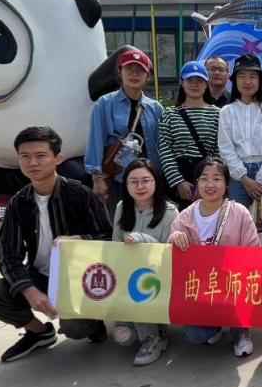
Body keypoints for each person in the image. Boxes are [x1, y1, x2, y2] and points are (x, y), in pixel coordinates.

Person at [0, 126, 112, 362]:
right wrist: (29, 290)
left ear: (57, 158)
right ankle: (38, 332)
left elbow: (108, 238)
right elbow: (7, 255)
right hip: (39, 275)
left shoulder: (79, 194)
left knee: (75, 328)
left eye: (41, 155)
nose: (33, 163)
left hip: (77, 278)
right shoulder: (19, 202)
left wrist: (79, 240)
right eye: (25, 156)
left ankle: (93, 323)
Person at [167, 158, 260, 357]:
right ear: (197, 183)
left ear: (226, 184)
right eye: (204, 179)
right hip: (201, 286)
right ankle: (214, 326)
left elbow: (253, 250)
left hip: (233, 283)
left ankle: (241, 333)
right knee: (196, 335)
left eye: (217, 179)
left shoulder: (239, 213)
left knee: (238, 295)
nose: (210, 184)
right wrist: (175, 237)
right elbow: (172, 249)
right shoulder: (186, 215)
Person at [111, 159, 177, 366]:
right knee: (123, 337)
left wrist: (141, 239)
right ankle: (150, 329)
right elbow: (115, 245)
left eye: (146, 180)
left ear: (156, 182)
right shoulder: (122, 207)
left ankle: (154, 337)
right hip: (127, 273)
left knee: (140, 287)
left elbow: (168, 254)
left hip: (156, 277)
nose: (140, 186)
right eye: (133, 181)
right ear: (126, 185)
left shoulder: (170, 212)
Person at [86, 48, 163, 213]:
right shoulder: (104, 104)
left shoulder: (155, 107)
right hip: (117, 178)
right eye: (129, 68)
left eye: (140, 70)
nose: (134, 74)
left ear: (148, 76)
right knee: (118, 221)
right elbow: (95, 141)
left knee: (151, 221)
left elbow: (161, 145)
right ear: (119, 72)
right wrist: (97, 179)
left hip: (149, 178)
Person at [218, 53, 262, 219]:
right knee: (238, 225)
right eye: (242, 76)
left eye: (252, 76)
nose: (247, 81)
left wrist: (261, 180)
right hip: (238, 177)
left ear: (260, 80)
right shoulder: (226, 111)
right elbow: (226, 148)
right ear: (235, 80)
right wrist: (244, 178)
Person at [158, 60, 220, 210]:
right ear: (182, 82)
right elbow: (165, 150)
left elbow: (218, 150)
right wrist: (178, 182)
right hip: (179, 179)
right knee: (182, 220)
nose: (194, 84)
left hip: (207, 175)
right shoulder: (170, 114)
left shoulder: (218, 114)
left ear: (206, 84)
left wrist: (207, 181)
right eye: (190, 80)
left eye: (199, 80)